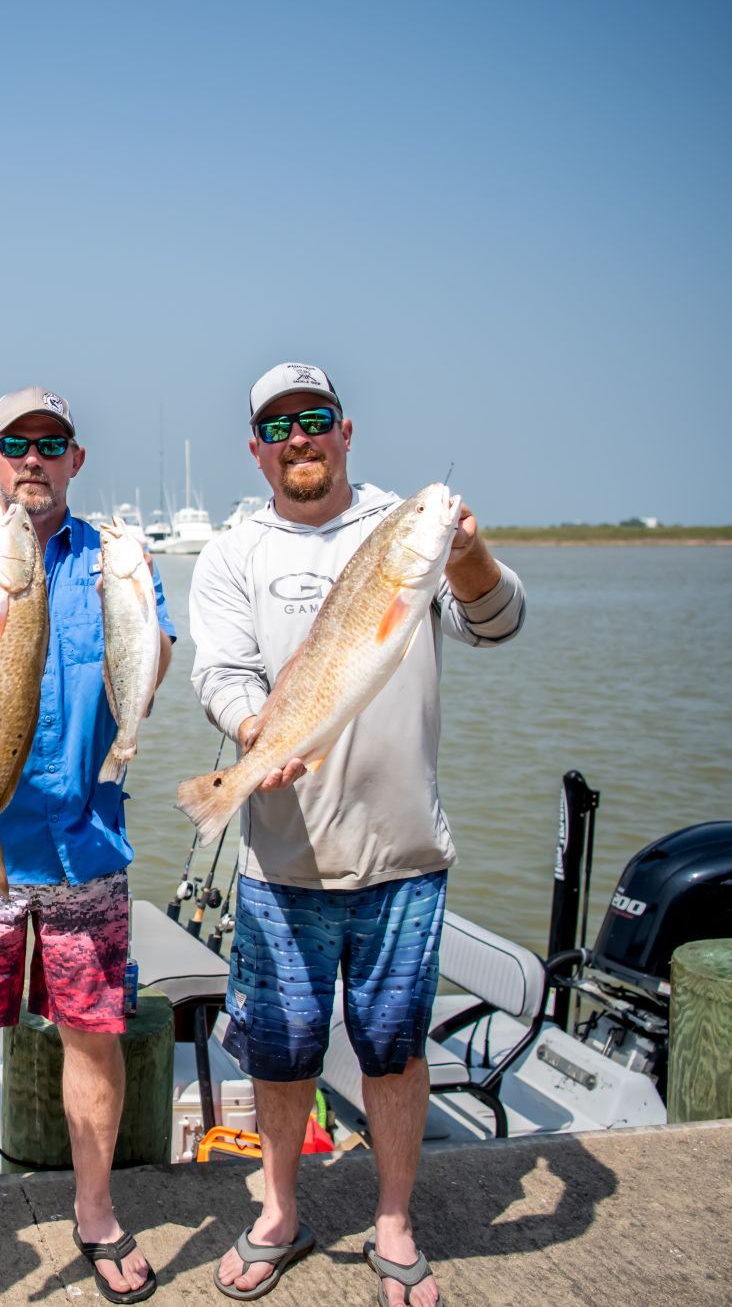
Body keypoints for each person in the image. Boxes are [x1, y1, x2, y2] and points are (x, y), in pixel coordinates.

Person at [188, 362, 526, 1307]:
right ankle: (280, 1212)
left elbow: (498, 624)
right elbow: (219, 671)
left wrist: (465, 553)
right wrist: (257, 731)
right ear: (257, 448)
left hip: (404, 855)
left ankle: (392, 1219)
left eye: (317, 419)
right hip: (283, 859)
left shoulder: (401, 531)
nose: (300, 437)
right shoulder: (232, 552)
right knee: (282, 1053)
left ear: (346, 430)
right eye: (279, 426)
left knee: (394, 1048)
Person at [0, 387, 174, 1307]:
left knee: (95, 1038)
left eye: (51, 445)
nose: (33, 460)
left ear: (76, 461)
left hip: (86, 847)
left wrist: (134, 608)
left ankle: (95, 1212)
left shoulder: (112, 560)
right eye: (17, 443)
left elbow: (150, 666)